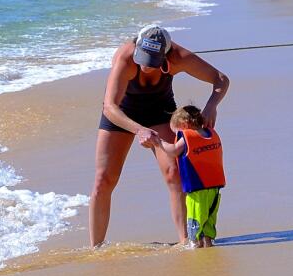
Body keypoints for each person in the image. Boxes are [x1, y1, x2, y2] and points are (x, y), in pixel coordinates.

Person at [91, 26, 229, 247]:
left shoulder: (179, 57)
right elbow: (109, 107)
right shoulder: (125, 59)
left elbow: (221, 79)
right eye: (142, 58)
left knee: (174, 173)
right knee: (103, 180)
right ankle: (95, 248)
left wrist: (211, 107)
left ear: (166, 55)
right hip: (121, 115)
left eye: (152, 61)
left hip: (159, 112)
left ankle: (186, 242)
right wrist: (139, 130)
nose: (145, 66)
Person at [157, 105, 225, 248]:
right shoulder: (210, 134)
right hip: (214, 188)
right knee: (209, 217)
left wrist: (158, 142)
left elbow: (174, 150)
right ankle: (208, 242)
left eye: (176, 131)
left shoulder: (187, 136)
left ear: (184, 124)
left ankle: (194, 245)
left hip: (197, 189)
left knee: (196, 218)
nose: (176, 135)